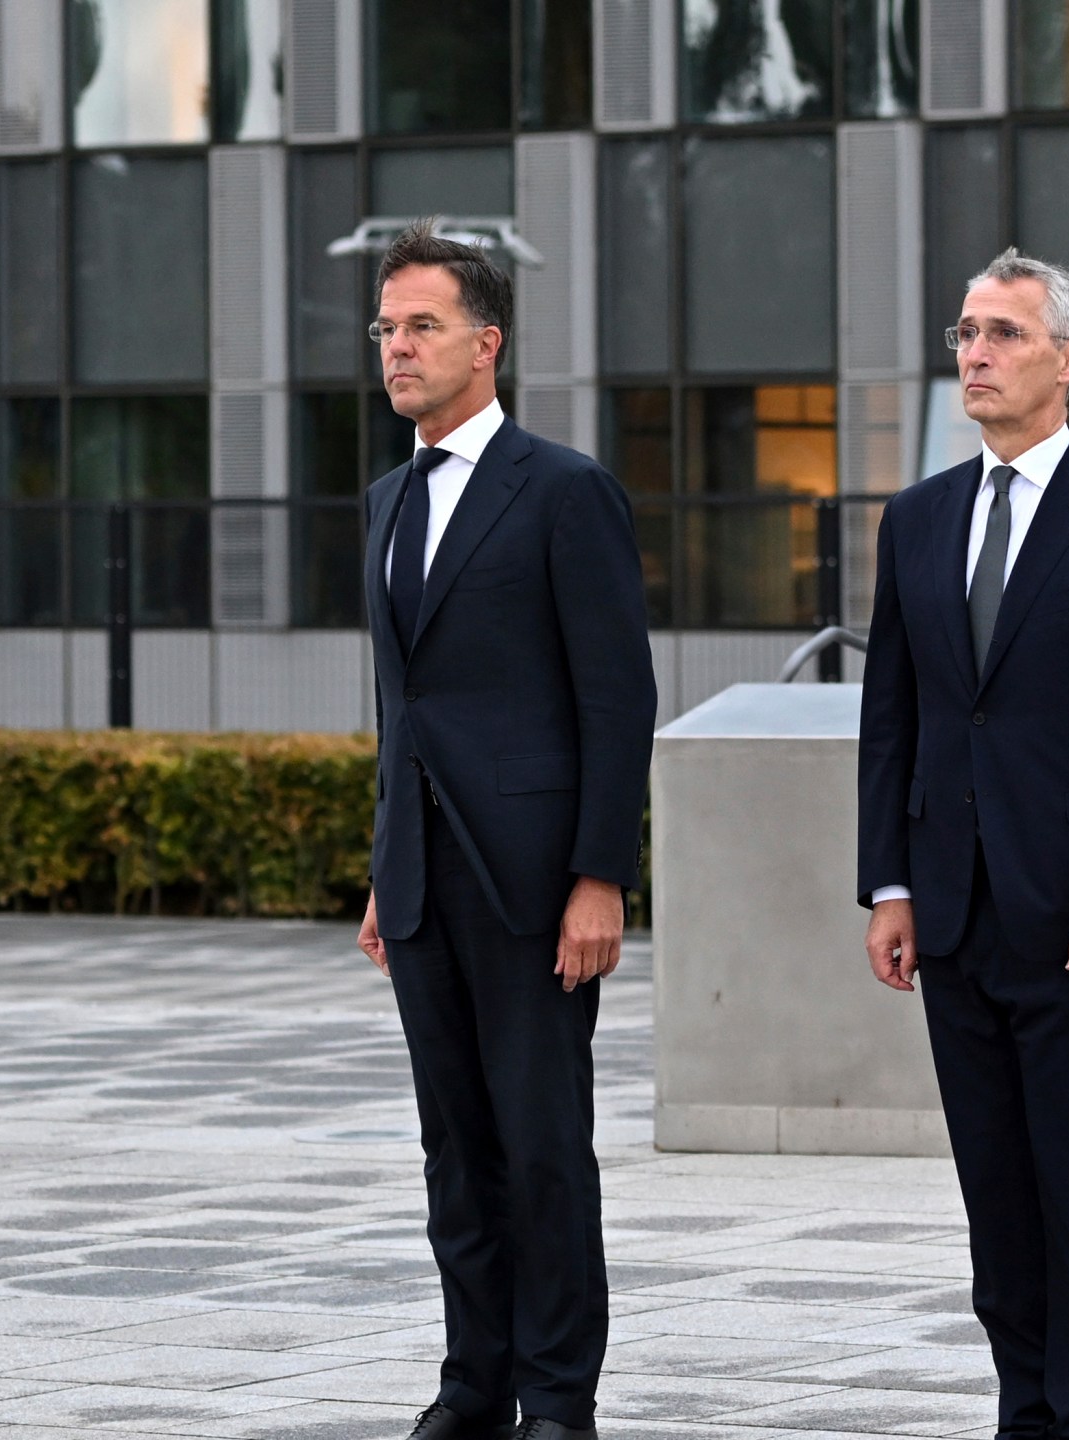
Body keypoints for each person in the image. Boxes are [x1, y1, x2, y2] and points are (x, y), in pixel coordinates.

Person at [857, 248, 1069, 1440]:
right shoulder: (916, 521)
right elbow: (892, 717)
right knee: (997, 1203)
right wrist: (889, 885)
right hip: (952, 917)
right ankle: (1024, 1414)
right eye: (964, 333)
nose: (975, 355)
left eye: (1002, 334)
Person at [354, 220, 656, 1440]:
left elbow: (614, 697)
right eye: (384, 329)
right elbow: (399, 707)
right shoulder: (382, 499)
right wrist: (384, 866)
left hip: (536, 887)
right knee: (454, 1157)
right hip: (423, 883)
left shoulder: (567, 491)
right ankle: (472, 1384)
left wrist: (599, 878)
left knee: (542, 1152)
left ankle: (556, 1397)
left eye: (420, 325)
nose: (396, 349)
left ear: (489, 343)